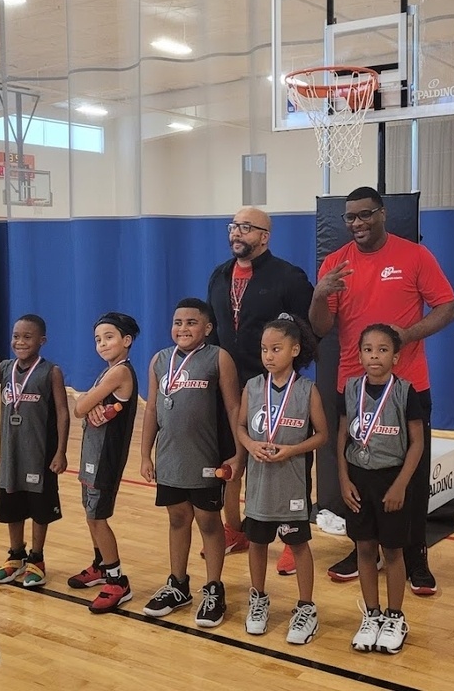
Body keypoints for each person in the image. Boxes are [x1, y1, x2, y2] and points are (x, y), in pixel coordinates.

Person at [310, 186, 454, 595]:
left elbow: (448, 306)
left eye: (365, 215)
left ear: (383, 213)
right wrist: (320, 294)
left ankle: (416, 555)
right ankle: (362, 548)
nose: (358, 223)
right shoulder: (336, 264)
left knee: (411, 474)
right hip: (353, 389)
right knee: (357, 472)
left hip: (407, 387)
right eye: (350, 217)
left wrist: (408, 334)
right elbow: (320, 327)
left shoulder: (414, 256)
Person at [206, 206, 314, 572]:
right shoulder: (219, 276)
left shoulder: (289, 277)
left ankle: (290, 535)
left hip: (275, 388)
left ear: (264, 236)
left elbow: (307, 331)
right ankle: (236, 528)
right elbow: (216, 332)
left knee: (282, 462)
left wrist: (289, 378)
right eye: (233, 226)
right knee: (232, 458)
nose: (237, 233)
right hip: (230, 386)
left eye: (246, 228)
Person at [139, 298, 243, 628]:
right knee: (177, 518)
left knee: (209, 522)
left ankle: (213, 588)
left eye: (191, 323)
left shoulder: (218, 358)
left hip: (207, 457)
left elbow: (233, 408)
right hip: (170, 457)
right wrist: (144, 454)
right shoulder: (159, 361)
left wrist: (238, 453)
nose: (183, 328)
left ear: (207, 328)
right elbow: (153, 409)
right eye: (178, 322)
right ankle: (178, 584)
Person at [237, 315, 328, 645]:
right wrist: (250, 445)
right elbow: (240, 427)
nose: (268, 356)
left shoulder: (307, 391)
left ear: (294, 350)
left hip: (292, 485)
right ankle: (258, 599)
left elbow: (322, 435)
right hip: (260, 484)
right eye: (264, 349)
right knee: (258, 542)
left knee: (298, 544)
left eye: (276, 349)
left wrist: (292, 450)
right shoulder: (253, 387)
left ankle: (306, 607)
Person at [339, 324, 424, 654]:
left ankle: (395, 616)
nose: (375, 355)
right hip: (358, 481)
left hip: (392, 482)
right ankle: (371, 615)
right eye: (369, 349)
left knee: (392, 551)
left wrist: (401, 484)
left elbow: (417, 443)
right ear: (359, 355)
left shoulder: (405, 391)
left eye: (383, 349)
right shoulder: (350, 389)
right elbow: (341, 438)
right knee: (364, 547)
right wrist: (344, 480)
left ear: (396, 356)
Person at [0, 314, 70, 588]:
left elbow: (62, 412)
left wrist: (61, 451)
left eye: (27, 337)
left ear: (42, 341)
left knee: (39, 509)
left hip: (40, 455)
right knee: (12, 506)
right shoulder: (4, 368)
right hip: (11, 455)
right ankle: (16, 556)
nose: (20, 341)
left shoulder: (51, 372)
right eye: (16, 336)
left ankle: (37, 559)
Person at [66, 312, 142, 613]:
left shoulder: (120, 372)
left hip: (106, 458)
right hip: (91, 455)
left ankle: (117, 581)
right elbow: (84, 405)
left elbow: (80, 406)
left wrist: (88, 402)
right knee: (90, 513)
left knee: (98, 517)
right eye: (97, 339)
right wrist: (89, 403)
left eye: (109, 337)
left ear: (127, 340)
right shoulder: (108, 371)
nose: (102, 343)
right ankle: (100, 564)